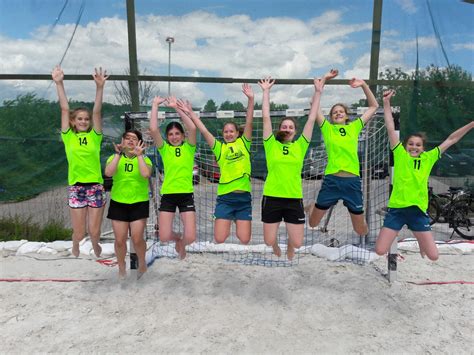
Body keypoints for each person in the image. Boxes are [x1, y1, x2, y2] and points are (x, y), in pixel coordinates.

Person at [375, 90, 474, 260]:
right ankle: (414, 237)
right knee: (379, 250)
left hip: (418, 211)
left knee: (434, 256)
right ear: (405, 146)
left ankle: (420, 237)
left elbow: (451, 139)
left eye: (418, 145)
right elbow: (390, 127)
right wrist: (386, 102)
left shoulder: (428, 158)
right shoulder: (400, 155)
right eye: (411, 144)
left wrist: (472, 124)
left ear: (423, 147)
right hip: (397, 210)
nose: (414, 147)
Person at [258, 75, 326, 260]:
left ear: (295, 131)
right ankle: (274, 244)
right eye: (284, 126)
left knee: (297, 243)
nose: (287, 129)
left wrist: (318, 92)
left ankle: (289, 244)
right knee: (268, 240)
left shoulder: (300, 145)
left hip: (293, 198)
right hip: (272, 197)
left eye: (291, 127)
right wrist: (266, 92)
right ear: (279, 129)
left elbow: (311, 119)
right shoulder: (271, 144)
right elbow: (265, 118)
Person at [178, 84, 255, 244]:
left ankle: (237, 220)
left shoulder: (244, 143)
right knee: (220, 238)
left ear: (237, 133)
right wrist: (191, 113)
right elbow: (204, 131)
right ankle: (228, 218)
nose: (228, 133)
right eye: (225, 131)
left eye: (231, 131)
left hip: (243, 199)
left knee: (244, 239)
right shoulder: (219, 148)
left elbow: (249, 121)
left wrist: (251, 99)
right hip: (225, 198)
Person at [308, 71, 379, 237]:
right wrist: (323, 81)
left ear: (346, 115)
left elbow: (374, 106)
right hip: (332, 180)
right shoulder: (327, 129)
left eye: (341, 111)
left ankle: (361, 218)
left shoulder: (354, 127)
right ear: (331, 118)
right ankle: (312, 206)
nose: (338, 113)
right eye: (334, 112)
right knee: (313, 223)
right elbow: (314, 106)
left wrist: (363, 85)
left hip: (352, 182)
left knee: (361, 231)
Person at [52, 66, 108, 258]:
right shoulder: (68, 137)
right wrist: (59, 83)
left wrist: (100, 88)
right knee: (79, 232)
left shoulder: (95, 136)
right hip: (76, 187)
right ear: (74, 122)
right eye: (80, 119)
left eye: (86, 119)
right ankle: (75, 244)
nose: (84, 121)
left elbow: (97, 112)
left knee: (94, 231)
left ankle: (95, 244)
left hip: (95, 186)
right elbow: (64, 108)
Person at [149, 96, 197, 259]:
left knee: (190, 237)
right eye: (171, 134)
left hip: (185, 195)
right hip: (168, 195)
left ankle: (182, 243)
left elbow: (192, 127)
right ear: (167, 137)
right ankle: (177, 239)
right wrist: (155, 105)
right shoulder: (164, 149)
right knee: (163, 237)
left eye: (177, 133)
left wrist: (177, 108)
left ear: (183, 136)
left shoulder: (189, 148)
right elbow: (154, 129)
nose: (174, 136)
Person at [105, 130, 152, 278]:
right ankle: (121, 267)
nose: (130, 141)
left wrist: (139, 155)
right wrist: (118, 155)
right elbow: (108, 173)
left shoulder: (145, 159)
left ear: (140, 143)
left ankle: (142, 262)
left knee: (137, 238)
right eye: (127, 138)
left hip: (139, 202)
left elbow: (145, 174)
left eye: (134, 139)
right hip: (119, 202)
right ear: (122, 141)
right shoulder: (114, 157)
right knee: (119, 240)